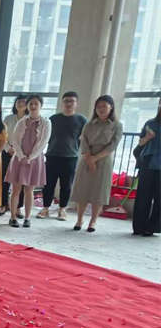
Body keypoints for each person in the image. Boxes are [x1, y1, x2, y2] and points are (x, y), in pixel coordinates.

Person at [69, 95, 123, 233]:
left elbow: (113, 145)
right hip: (86, 158)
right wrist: (89, 158)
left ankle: (93, 221)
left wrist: (95, 158)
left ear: (111, 107)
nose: (101, 109)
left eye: (104, 106)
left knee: (98, 193)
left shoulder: (117, 125)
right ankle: (79, 219)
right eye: (98, 107)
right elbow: (84, 141)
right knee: (82, 190)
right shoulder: (89, 124)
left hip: (104, 160)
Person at [38, 91, 87, 221]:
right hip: (52, 155)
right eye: (66, 101)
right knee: (48, 184)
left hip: (70, 157)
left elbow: (84, 139)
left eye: (72, 101)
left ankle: (62, 209)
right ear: (62, 103)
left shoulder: (81, 120)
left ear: (76, 103)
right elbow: (45, 137)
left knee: (66, 185)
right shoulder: (53, 119)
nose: (68, 104)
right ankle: (45, 208)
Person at [5, 95, 51, 228]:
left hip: (35, 159)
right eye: (31, 104)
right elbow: (15, 140)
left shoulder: (46, 122)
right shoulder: (22, 122)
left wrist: (30, 157)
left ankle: (27, 217)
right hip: (19, 158)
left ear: (41, 106)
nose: (33, 106)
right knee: (15, 189)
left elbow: (43, 142)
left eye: (36, 103)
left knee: (29, 190)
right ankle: (13, 217)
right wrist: (21, 156)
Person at [132, 97, 161, 236]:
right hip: (148, 162)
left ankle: (152, 227)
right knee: (143, 197)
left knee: (159, 198)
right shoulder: (150, 123)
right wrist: (148, 137)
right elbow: (141, 143)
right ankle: (139, 227)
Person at [0, 96, 28, 217]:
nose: (20, 104)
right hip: (8, 152)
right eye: (18, 102)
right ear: (15, 104)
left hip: (23, 154)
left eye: (23, 102)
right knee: (4, 179)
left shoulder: (29, 119)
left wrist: (20, 151)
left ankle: (18, 207)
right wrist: (7, 148)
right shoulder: (8, 118)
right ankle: (3, 205)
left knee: (21, 181)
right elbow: (2, 136)